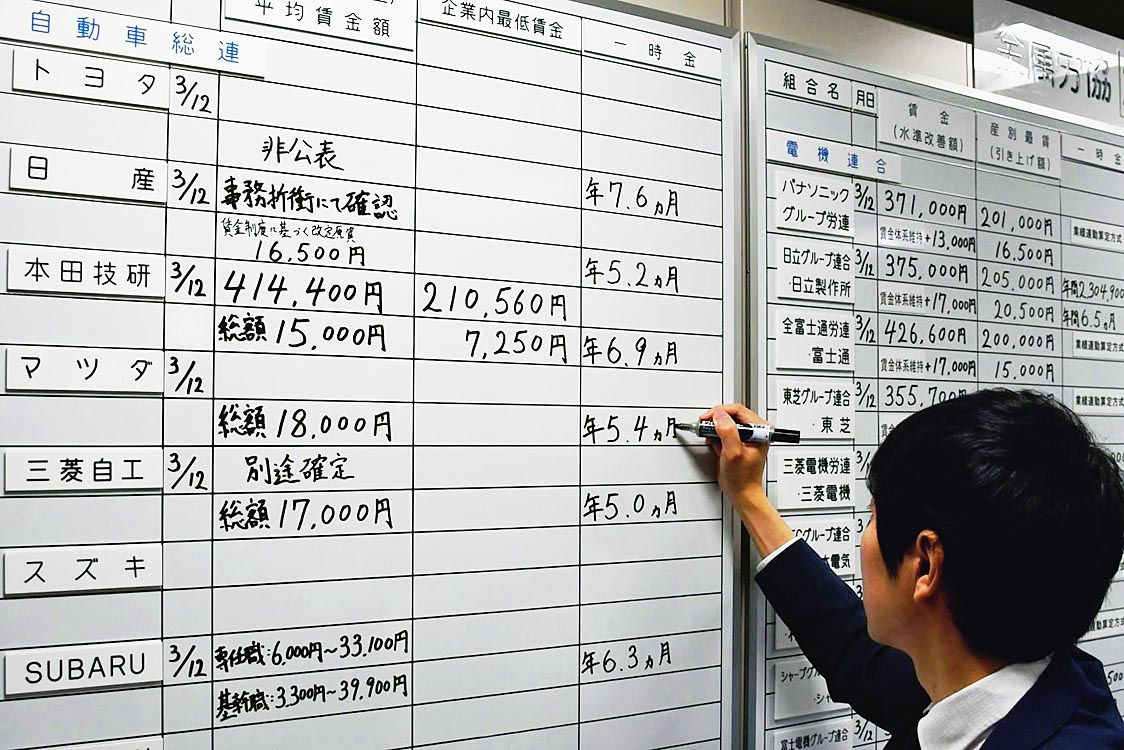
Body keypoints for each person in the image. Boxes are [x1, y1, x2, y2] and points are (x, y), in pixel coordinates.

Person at [702, 389, 1124, 749]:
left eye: (873, 517)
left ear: (925, 564)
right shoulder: (1011, 680)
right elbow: (854, 654)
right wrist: (749, 496)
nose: (865, 537)